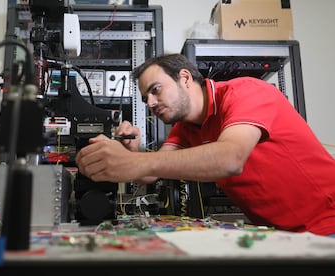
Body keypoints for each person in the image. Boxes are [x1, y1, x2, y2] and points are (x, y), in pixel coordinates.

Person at [75, 53, 335, 236]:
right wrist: (132, 152)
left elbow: (230, 159)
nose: (151, 103)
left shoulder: (245, 92)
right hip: (284, 234)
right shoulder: (186, 128)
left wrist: (134, 162)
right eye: (145, 99)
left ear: (185, 78)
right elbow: (151, 173)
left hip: (327, 224)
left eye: (156, 90)